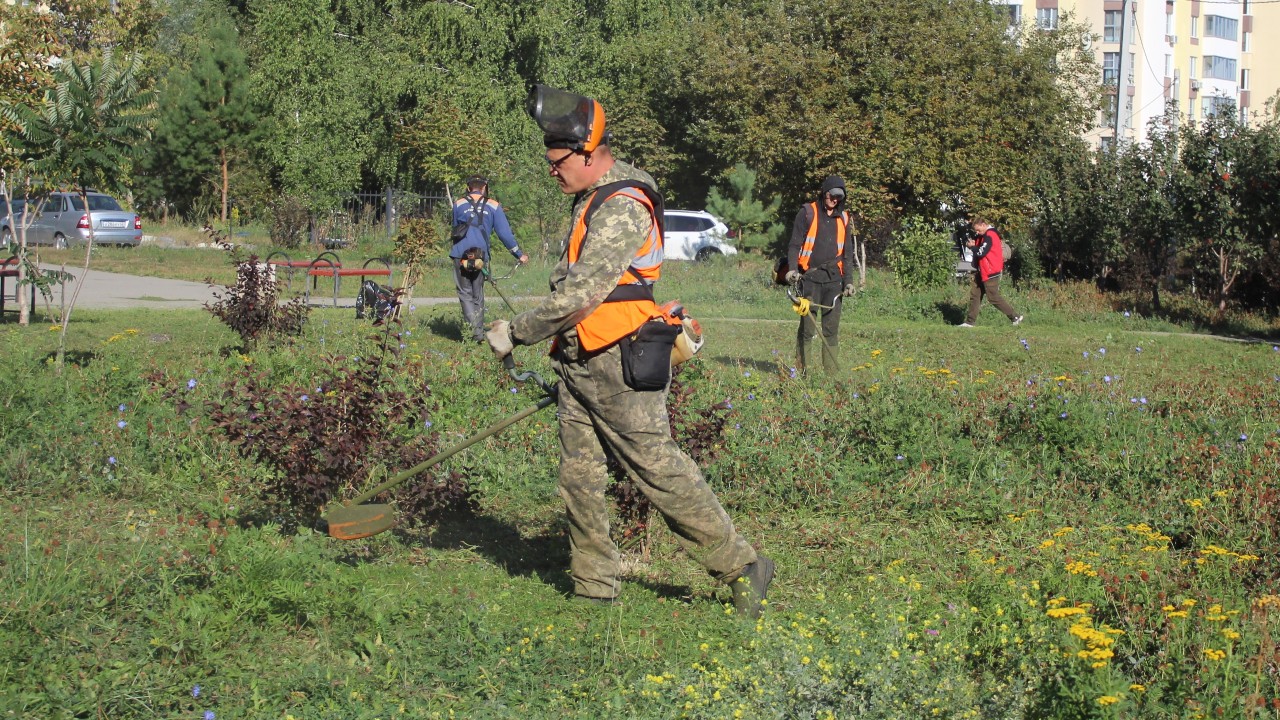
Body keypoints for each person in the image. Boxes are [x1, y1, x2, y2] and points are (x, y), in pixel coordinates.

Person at [485, 85, 774, 618]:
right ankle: (594, 588)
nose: (552, 170)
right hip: (580, 358)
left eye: (558, 161)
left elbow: (581, 293)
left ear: (589, 153)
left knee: (657, 469)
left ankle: (742, 565)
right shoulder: (594, 197)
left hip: (619, 358)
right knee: (580, 477)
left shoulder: (621, 204)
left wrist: (516, 331)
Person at [784, 175, 857, 375]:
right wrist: (792, 269)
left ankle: (831, 376)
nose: (835, 200)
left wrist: (848, 282)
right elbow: (794, 244)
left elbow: (847, 254)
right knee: (807, 330)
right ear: (824, 193)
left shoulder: (844, 218)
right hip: (809, 280)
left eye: (839, 197)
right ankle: (802, 373)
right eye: (832, 195)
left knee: (831, 332)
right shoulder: (807, 213)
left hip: (834, 282)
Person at [450, 175, 529, 342]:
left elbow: (455, 228)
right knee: (477, 293)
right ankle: (476, 333)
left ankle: (473, 333)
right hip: (480, 254)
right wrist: (518, 254)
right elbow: (505, 234)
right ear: (484, 188)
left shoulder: (458, 204)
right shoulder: (493, 205)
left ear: (468, 187)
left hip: (460, 254)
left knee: (465, 293)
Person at [959, 216, 1022, 327]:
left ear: (984, 225)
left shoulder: (990, 235)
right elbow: (980, 248)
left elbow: (981, 252)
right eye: (976, 231)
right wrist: (975, 244)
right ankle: (970, 322)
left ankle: (1015, 316)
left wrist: (972, 247)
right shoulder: (983, 235)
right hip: (982, 270)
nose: (977, 232)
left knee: (993, 297)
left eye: (978, 229)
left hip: (991, 271)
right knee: (975, 295)